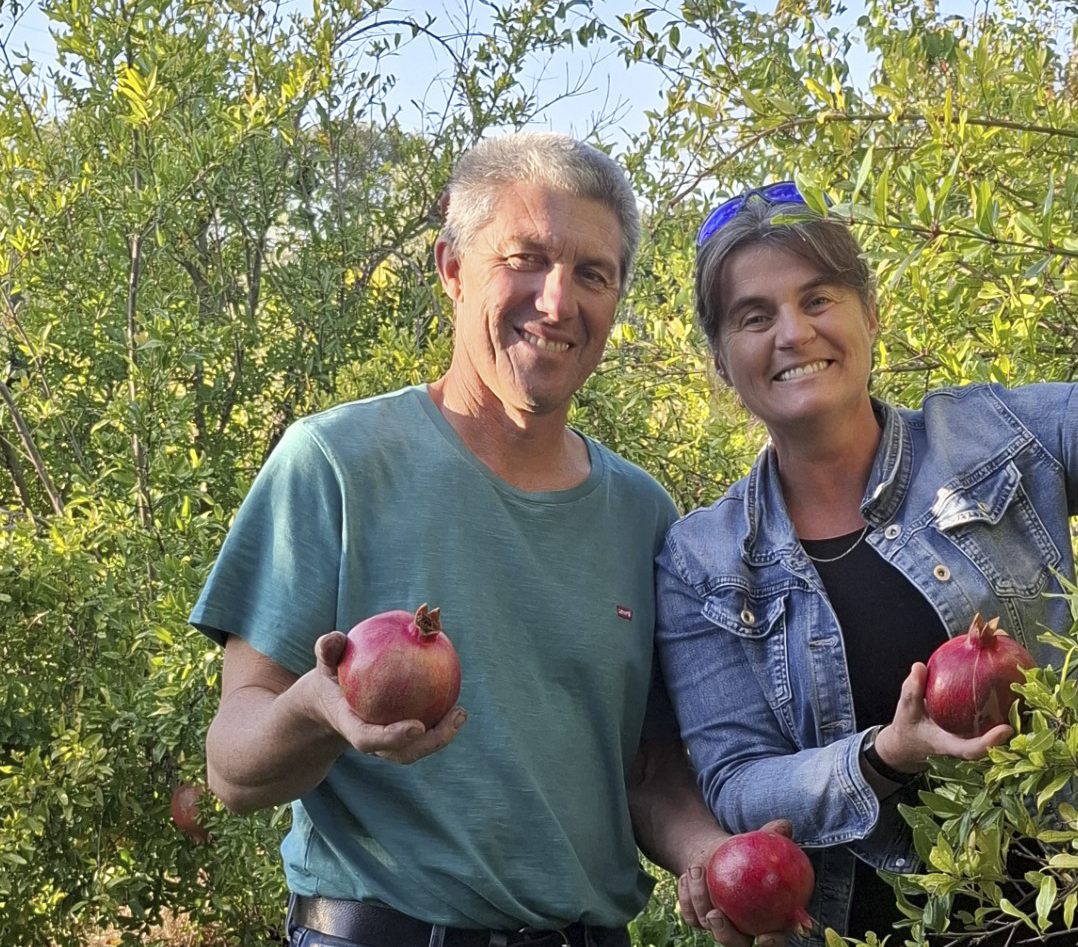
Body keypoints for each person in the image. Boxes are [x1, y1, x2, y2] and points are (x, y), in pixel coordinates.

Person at [657, 6, 1078, 945]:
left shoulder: (995, 436)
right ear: (723, 360)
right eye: (753, 316)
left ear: (869, 314)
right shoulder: (704, 557)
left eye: (817, 298)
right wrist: (885, 754)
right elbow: (734, 780)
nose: (792, 333)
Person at [191, 131, 740, 947]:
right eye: (525, 258)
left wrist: (715, 860)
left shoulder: (644, 515)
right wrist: (316, 708)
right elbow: (231, 767)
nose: (557, 302)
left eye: (593, 273)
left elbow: (646, 774)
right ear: (452, 268)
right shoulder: (335, 465)